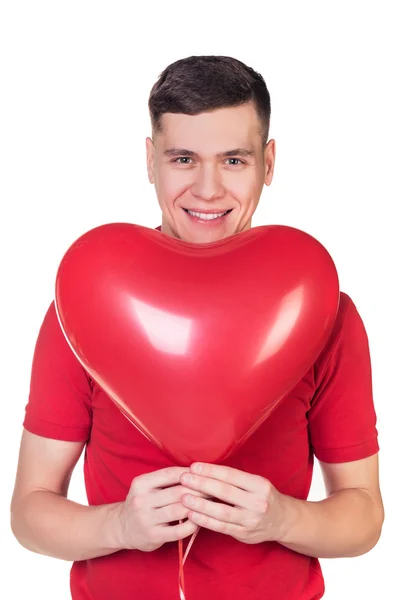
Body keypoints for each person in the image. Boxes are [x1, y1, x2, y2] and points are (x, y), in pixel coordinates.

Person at [10, 55, 384, 600]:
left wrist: (280, 519)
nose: (208, 190)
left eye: (234, 160)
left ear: (269, 162)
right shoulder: (85, 306)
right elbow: (28, 510)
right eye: (183, 158)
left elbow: (365, 517)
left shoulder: (323, 311)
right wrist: (119, 527)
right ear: (150, 160)